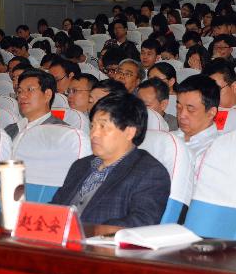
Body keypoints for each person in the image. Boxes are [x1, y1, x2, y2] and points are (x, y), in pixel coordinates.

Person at [52, 93, 170, 226]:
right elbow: (55, 208)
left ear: (129, 132)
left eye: (103, 126)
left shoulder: (150, 172)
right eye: (92, 126)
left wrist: (86, 231)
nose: (93, 134)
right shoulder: (80, 165)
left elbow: (140, 223)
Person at [6, 69, 68, 139]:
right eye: (19, 91)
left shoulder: (62, 133)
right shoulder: (10, 129)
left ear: (47, 94)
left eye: (30, 89)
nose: (21, 96)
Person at [173, 75, 220, 163]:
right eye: (179, 107)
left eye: (190, 109)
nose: (182, 115)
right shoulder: (168, 138)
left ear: (211, 112)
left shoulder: (217, 149)